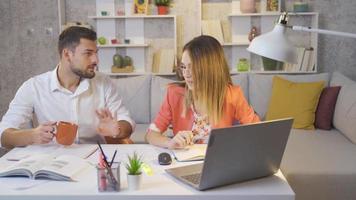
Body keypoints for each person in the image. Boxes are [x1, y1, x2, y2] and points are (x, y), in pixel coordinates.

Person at [0, 26, 135, 149]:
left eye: (96, 53)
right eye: (88, 53)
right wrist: (32, 135)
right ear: (67, 54)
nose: (96, 60)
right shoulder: (34, 87)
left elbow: (126, 121)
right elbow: (3, 136)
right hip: (52, 161)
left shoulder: (103, 83)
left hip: (94, 159)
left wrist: (117, 129)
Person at [145, 35, 260, 149]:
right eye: (184, 67)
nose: (186, 74)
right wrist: (169, 143)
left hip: (218, 161)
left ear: (210, 69)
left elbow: (258, 130)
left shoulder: (232, 95)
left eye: (193, 67)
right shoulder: (174, 94)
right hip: (184, 163)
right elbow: (151, 134)